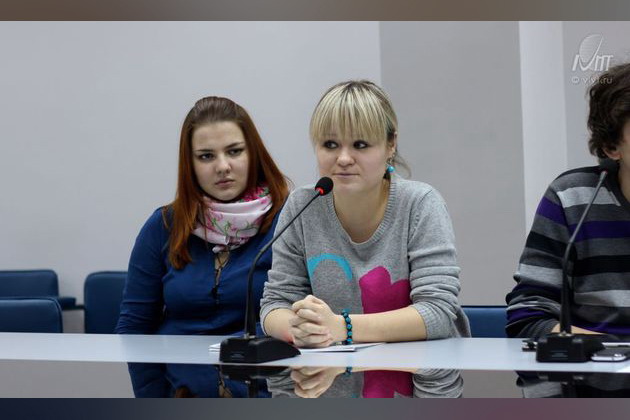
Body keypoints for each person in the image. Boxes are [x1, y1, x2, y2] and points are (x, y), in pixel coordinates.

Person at [260, 80, 470, 351]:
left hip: (425, 370)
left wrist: (342, 327)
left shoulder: (420, 204)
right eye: (330, 144)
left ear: (391, 145)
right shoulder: (302, 205)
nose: (344, 158)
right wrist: (299, 329)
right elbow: (275, 304)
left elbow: (438, 312)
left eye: (360, 144)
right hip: (331, 372)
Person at [115, 96, 289, 397]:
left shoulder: (290, 220)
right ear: (190, 164)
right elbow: (134, 328)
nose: (223, 166)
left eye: (234, 151)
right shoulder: (163, 226)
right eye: (206, 156)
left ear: (254, 153)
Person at [506, 63, 630, 339]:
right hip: (595, 362)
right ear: (612, 147)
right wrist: (613, 350)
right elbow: (529, 315)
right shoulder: (573, 198)